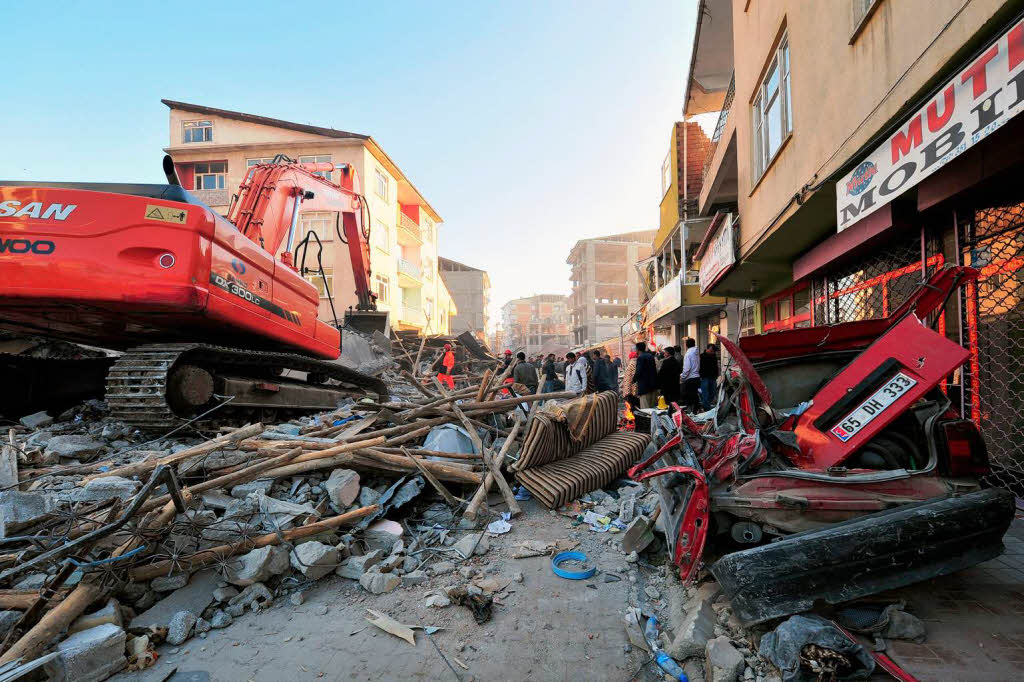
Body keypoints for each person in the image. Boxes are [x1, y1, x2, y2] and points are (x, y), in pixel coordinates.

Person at [634, 342, 658, 408]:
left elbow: (638, 371)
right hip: (653, 385)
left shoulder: (640, 358)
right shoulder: (650, 356)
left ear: (637, 349)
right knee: (652, 407)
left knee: (645, 408)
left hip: (644, 386)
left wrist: (634, 379)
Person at [681, 338, 701, 413]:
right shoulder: (696, 353)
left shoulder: (688, 354)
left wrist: (682, 377)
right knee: (694, 395)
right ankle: (695, 411)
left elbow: (687, 368)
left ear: (686, 345)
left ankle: (692, 413)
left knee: (690, 397)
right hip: (696, 376)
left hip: (690, 378)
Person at [699, 343, 720, 410]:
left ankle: (706, 404)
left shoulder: (714, 356)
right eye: (711, 350)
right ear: (708, 349)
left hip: (713, 377)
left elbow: (716, 366)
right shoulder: (702, 356)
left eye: (713, 351)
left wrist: (717, 374)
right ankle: (706, 407)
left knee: (713, 392)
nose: (712, 352)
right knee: (705, 393)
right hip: (705, 377)